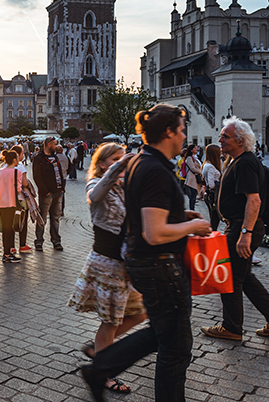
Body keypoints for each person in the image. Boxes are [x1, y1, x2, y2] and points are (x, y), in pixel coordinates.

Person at [82, 104, 212, 402]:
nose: (183, 136)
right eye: (181, 130)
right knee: (176, 349)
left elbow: (141, 215)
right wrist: (193, 228)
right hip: (160, 266)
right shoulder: (155, 169)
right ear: (168, 132)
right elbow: (154, 232)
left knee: (164, 335)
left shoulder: (143, 161)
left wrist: (179, 217)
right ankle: (100, 367)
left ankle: (100, 368)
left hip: (147, 264)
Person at [201, 118, 269, 341]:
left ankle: (231, 327)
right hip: (238, 226)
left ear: (240, 141)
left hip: (242, 227)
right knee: (245, 277)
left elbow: (254, 201)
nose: (220, 139)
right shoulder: (236, 161)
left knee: (229, 277)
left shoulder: (245, 163)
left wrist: (245, 233)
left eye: (225, 136)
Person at [69, 143, 146, 394]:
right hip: (107, 262)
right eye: (114, 159)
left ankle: (99, 349)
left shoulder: (124, 187)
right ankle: (103, 371)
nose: (120, 162)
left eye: (122, 158)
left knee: (139, 313)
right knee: (110, 321)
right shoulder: (96, 182)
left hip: (125, 263)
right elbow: (95, 196)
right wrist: (119, 167)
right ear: (103, 163)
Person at [0, 150, 23, 263]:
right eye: (17, 158)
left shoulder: (1, 171)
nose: (18, 160)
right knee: (10, 228)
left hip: (1, 203)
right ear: (14, 160)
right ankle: (8, 254)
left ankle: (7, 252)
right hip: (11, 202)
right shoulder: (17, 172)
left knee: (6, 228)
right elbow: (18, 190)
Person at [32, 137, 66, 251]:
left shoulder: (55, 157)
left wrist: (62, 188)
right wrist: (45, 191)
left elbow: (60, 173)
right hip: (47, 193)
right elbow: (37, 176)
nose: (57, 146)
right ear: (49, 144)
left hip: (58, 191)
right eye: (55, 144)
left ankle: (56, 241)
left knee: (55, 218)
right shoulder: (39, 159)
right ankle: (39, 241)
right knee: (42, 218)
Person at [201, 144, 222, 230]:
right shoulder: (210, 167)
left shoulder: (206, 164)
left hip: (209, 195)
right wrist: (219, 183)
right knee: (214, 220)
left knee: (214, 219)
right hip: (213, 195)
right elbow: (211, 184)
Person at [183, 144, 201, 210]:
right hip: (192, 178)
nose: (197, 149)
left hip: (195, 177)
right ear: (191, 150)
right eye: (195, 148)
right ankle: (192, 209)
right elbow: (192, 168)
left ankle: (192, 209)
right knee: (193, 195)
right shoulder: (189, 158)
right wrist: (201, 171)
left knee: (194, 195)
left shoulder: (195, 157)